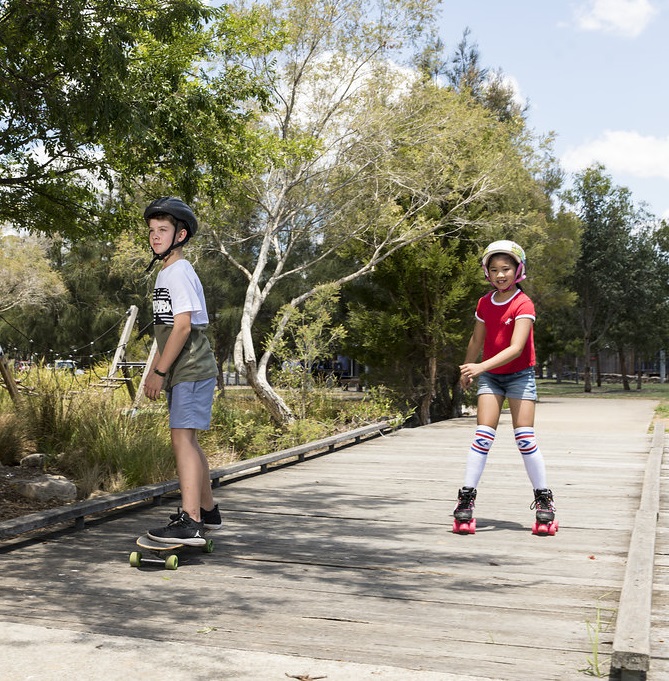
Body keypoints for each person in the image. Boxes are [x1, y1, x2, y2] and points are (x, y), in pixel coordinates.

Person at [454, 240, 556, 530]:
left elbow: (516, 347)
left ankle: (544, 498)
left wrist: (480, 366)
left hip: (520, 376)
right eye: (494, 269)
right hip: (491, 377)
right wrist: (466, 368)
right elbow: (477, 339)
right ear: (487, 273)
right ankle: (466, 499)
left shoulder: (523, 303)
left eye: (506, 269)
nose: (501, 275)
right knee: (483, 436)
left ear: (518, 270)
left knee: (525, 438)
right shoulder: (485, 303)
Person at [142, 196, 222, 545]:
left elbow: (183, 327)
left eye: (163, 230)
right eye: (151, 231)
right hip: (185, 370)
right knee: (189, 441)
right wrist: (161, 370)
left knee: (182, 441)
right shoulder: (167, 272)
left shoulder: (179, 272)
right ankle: (207, 510)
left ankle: (190, 520)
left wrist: (158, 372)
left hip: (190, 368)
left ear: (180, 235)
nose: (155, 237)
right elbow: (166, 331)